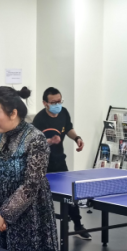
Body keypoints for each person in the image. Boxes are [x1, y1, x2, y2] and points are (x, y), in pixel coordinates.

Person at [0, 86, 59, 251]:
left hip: (29, 218)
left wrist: (3, 215)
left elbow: (31, 185)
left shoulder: (35, 139)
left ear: (13, 113)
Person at [31, 87, 90, 240]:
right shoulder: (39, 120)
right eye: (53, 102)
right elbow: (34, 143)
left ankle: (78, 225)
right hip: (42, 164)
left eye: (59, 101)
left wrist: (77, 138)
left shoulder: (64, 112)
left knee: (70, 195)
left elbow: (68, 128)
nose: (57, 104)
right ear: (45, 103)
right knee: (42, 199)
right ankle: (41, 231)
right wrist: (50, 141)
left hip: (59, 162)